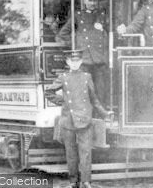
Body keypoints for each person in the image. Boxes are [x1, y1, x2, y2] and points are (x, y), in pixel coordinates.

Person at [45, 50, 113, 188]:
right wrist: (64, 101)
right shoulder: (63, 77)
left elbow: (94, 99)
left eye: (77, 61)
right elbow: (48, 92)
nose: (74, 64)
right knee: (71, 154)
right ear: (67, 62)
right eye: (71, 61)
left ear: (81, 62)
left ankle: (86, 181)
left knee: (86, 152)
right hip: (68, 120)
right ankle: (72, 182)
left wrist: (105, 114)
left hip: (84, 119)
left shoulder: (87, 77)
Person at [57, 0, 109, 105]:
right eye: (90, 0)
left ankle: (100, 117)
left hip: (99, 60)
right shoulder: (78, 16)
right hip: (85, 60)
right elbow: (63, 33)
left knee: (101, 91)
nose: (92, 3)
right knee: (85, 91)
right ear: (85, 1)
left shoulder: (102, 15)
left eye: (95, 0)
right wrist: (76, 45)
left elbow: (109, 35)